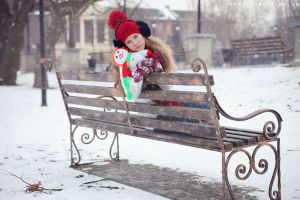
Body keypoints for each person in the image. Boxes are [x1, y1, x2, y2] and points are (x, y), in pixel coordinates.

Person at [107, 9, 176, 101]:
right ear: (125, 46)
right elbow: (132, 94)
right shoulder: (128, 63)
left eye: (135, 36)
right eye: (129, 42)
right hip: (150, 109)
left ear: (142, 34)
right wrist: (140, 73)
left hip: (162, 105)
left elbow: (169, 85)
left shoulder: (156, 52)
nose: (135, 43)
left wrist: (157, 69)